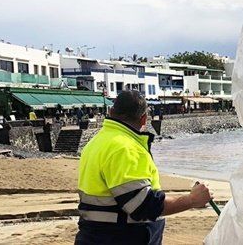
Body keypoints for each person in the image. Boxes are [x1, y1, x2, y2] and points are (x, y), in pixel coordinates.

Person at [75, 90, 213, 244]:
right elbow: (142, 206)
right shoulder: (125, 148)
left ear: (111, 111)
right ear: (144, 119)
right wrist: (192, 200)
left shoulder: (97, 142)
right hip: (119, 237)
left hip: (93, 235)